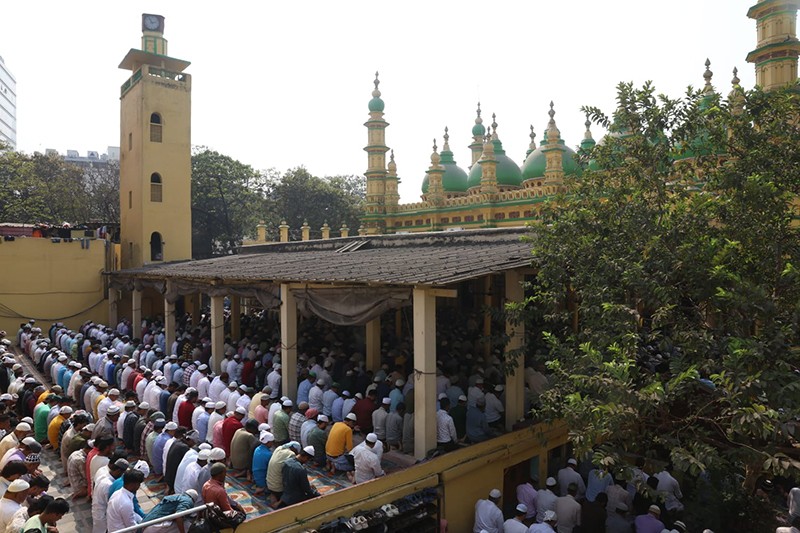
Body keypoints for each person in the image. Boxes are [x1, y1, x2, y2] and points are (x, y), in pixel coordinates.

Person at [326, 413, 356, 480]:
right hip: (337, 457)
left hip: (327, 454)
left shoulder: (336, 424)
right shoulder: (348, 429)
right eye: (353, 424)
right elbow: (349, 448)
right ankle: (335, 465)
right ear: (350, 422)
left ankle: (330, 461)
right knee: (353, 466)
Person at [252, 431, 275, 496]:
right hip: (262, 480)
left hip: (256, 476)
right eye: (272, 442)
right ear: (268, 442)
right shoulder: (268, 454)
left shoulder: (257, 449)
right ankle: (263, 489)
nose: (272, 444)